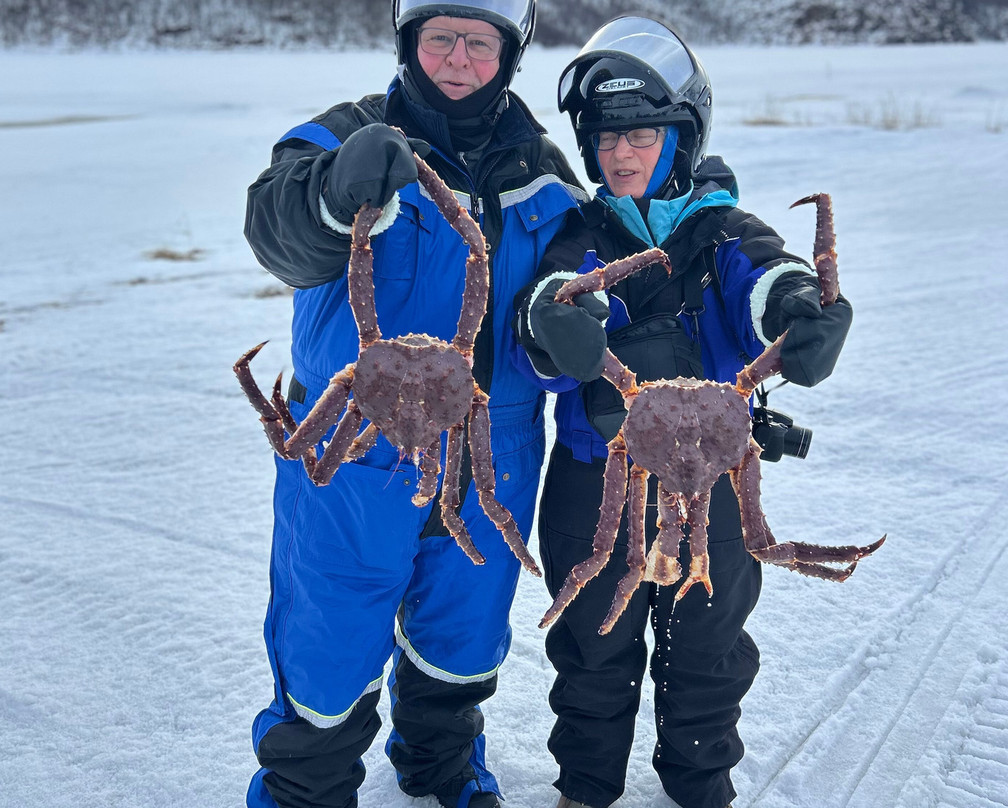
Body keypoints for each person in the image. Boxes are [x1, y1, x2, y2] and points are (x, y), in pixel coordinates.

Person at [241, 2, 585, 807]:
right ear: (407, 42)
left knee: (465, 633)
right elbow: (273, 227)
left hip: (489, 447)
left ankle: (443, 766)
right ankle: (306, 792)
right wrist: (333, 192)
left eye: (479, 42)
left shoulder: (547, 173)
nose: (458, 58)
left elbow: (574, 277)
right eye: (439, 38)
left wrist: (562, 321)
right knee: (328, 638)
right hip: (356, 450)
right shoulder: (342, 134)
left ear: (510, 55)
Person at [512, 17, 853, 808]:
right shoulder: (580, 233)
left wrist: (801, 307)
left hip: (716, 489)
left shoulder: (723, 230)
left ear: (682, 134)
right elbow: (542, 307)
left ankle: (700, 787)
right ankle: (585, 791)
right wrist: (552, 321)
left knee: (707, 650)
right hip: (595, 483)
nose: (620, 154)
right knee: (592, 649)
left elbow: (769, 276)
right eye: (604, 139)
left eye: (640, 133)